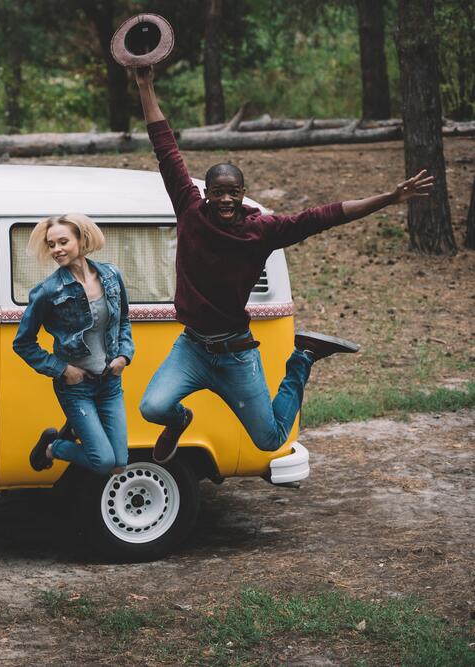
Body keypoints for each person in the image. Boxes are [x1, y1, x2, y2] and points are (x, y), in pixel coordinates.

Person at [133, 66, 435, 464]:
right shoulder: (189, 210)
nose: (226, 200)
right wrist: (145, 84)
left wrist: (389, 198)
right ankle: (179, 421)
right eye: (218, 192)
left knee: (270, 438)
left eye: (233, 193)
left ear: (243, 193)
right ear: (206, 194)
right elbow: (165, 145)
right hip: (191, 347)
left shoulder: (262, 231)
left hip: (235, 353)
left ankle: (303, 357)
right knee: (152, 407)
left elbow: (326, 215)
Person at [13, 214, 134, 475]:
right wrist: (63, 369)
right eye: (51, 245)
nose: (56, 250)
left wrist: (124, 356)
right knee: (103, 462)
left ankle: (70, 433)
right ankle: (52, 448)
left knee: (119, 465)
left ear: (82, 240)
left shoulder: (111, 275)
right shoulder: (48, 291)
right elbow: (23, 343)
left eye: (63, 242)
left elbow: (123, 319)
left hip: (110, 383)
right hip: (76, 388)